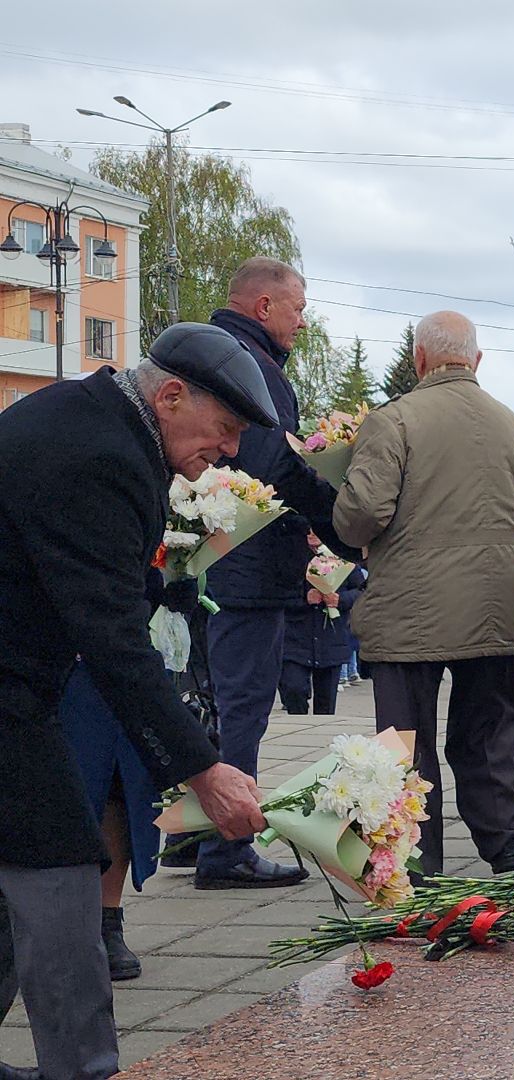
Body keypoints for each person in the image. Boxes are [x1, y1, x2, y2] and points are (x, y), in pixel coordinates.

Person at [0, 323, 271, 1080]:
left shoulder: (93, 420)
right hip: (7, 693)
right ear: (173, 395)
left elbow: (85, 570)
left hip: (16, 683)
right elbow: (115, 641)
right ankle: (83, 1067)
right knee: (57, 865)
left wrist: (162, 585)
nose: (230, 451)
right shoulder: (102, 454)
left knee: (16, 868)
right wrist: (203, 769)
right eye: (225, 429)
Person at [334, 311, 514, 877]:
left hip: (410, 613)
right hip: (494, 608)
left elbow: (364, 514)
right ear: (476, 360)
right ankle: (507, 850)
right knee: (490, 737)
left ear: (420, 359)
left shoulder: (393, 421)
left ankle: (417, 864)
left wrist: (340, 499)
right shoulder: (512, 424)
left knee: (406, 745)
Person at [197, 256, 349, 890]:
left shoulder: (209, 355)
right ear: (264, 307)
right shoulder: (253, 370)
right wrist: (341, 521)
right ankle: (226, 850)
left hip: (205, 570)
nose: (303, 322)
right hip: (247, 573)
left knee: (203, 705)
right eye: (299, 308)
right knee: (243, 710)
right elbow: (269, 473)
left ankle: (191, 833)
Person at [279, 533, 364, 716]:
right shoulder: (290, 555)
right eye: (307, 529)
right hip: (295, 639)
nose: (312, 533)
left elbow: (363, 590)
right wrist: (304, 598)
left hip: (331, 638)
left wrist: (340, 600)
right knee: (295, 689)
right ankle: (298, 722)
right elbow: (277, 590)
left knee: (326, 704)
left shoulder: (340, 556)